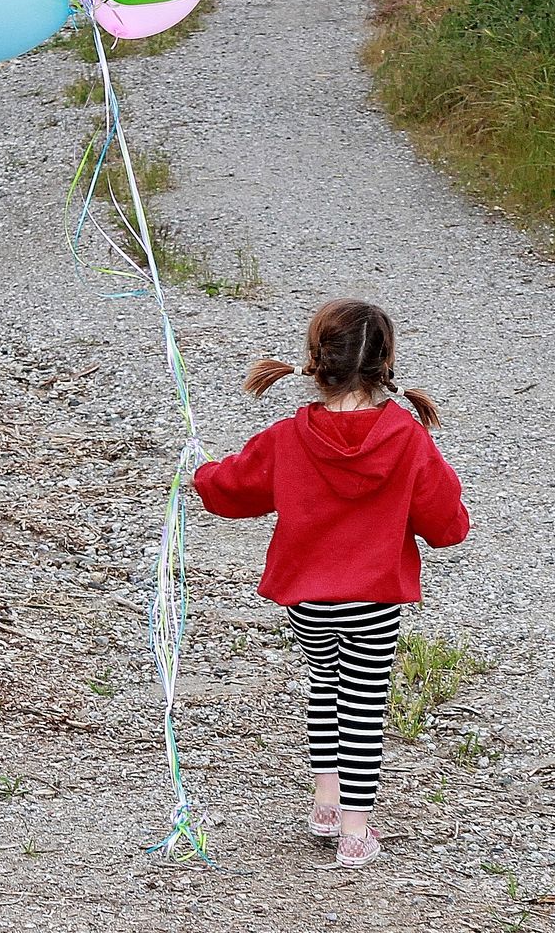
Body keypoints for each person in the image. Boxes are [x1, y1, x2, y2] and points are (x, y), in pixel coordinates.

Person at [192, 298, 469, 868]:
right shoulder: (407, 437)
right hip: (373, 599)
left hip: (307, 597)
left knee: (325, 688)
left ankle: (324, 805)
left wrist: (200, 470)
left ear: (318, 362)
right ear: (384, 363)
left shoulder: (288, 435)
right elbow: (445, 523)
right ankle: (355, 833)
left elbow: (232, 489)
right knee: (363, 707)